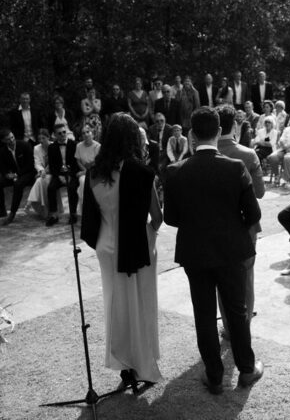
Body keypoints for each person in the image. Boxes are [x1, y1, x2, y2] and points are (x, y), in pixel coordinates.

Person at [163, 107, 263, 394]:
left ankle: (215, 375)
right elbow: (253, 213)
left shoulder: (175, 171)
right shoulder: (235, 168)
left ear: (192, 135)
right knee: (237, 310)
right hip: (231, 251)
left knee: (204, 313)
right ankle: (246, 370)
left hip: (195, 252)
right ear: (219, 132)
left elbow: (171, 218)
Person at [81, 112, 163, 391]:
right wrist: (148, 233)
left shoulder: (93, 172)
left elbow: (90, 215)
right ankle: (145, 366)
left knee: (116, 304)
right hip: (138, 243)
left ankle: (125, 366)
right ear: (132, 139)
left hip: (106, 243)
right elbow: (157, 216)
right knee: (141, 304)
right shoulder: (140, 172)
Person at [216, 105, 266, 336]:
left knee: (221, 278)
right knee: (246, 275)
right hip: (245, 224)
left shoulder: (204, 153)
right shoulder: (248, 154)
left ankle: (227, 327)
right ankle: (244, 325)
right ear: (234, 125)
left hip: (216, 225)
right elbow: (259, 192)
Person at [0, 129, 35, 225]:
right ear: (3, 141)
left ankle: (12, 213)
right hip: (14, 174)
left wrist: (17, 174)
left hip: (28, 173)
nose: (12, 140)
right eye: (8, 139)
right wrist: (7, 175)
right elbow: (2, 167)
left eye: (12, 137)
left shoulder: (24, 145)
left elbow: (30, 164)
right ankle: (1, 210)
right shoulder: (3, 151)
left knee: (18, 185)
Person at [45, 124, 80, 226]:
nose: (63, 135)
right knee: (51, 188)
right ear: (55, 135)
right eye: (59, 133)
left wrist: (70, 175)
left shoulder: (74, 145)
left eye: (64, 132)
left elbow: (76, 164)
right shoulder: (51, 147)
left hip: (71, 174)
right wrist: (59, 176)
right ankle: (54, 215)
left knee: (72, 187)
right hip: (58, 174)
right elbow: (52, 166)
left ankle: (73, 214)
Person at [26, 129, 57, 218]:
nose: (41, 141)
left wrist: (45, 171)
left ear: (48, 137)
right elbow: (37, 163)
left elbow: (54, 162)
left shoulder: (54, 146)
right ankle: (43, 209)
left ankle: (30, 201)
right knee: (41, 180)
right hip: (43, 172)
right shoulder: (36, 148)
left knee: (40, 180)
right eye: (39, 139)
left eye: (43, 138)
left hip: (53, 171)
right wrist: (41, 171)